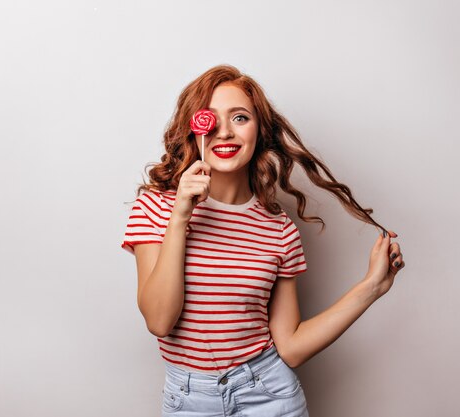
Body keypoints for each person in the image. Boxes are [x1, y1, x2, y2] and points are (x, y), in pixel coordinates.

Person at [120, 64, 405, 417]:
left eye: (240, 118)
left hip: (269, 396)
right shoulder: (156, 206)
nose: (224, 132)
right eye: (211, 118)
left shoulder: (278, 229)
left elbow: (292, 347)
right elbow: (159, 321)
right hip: (189, 400)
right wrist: (180, 216)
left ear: (259, 132)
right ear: (194, 130)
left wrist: (371, 287)